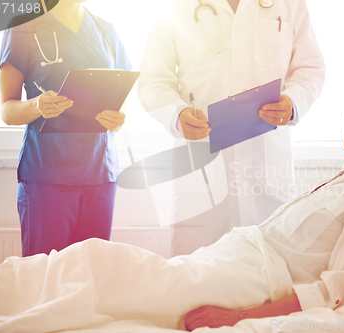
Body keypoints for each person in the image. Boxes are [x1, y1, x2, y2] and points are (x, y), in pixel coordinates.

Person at [0, 75, 344, 333]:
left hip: (250, 280)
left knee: (98, 261)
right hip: (231, 256)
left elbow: (336, 289)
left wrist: (239, 318)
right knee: (96, 264)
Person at [137, 0, 326, 256]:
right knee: (194, 277)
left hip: (266, 165)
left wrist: (293, 101)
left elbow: (310, 67)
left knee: (267, 275)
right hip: (201, 168)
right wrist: (177, 114)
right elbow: (153, 79)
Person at [0, 0, 132, 256]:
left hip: (100, 175)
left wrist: (118, 118)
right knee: (45, 279)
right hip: (47, 176)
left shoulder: (106, 30)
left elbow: (121, 95)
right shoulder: (22, 24)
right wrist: (37, 105)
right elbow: (6, 110)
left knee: (92, 276)